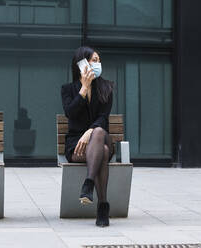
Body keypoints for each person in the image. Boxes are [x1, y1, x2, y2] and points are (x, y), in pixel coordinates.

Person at [61, 46, 114, 227]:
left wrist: (89, 132)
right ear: (81, 64)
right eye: (93, 60)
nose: (97, 64)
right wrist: (84, 88)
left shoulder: (106, 87)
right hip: (77, 145)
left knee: (98, 132)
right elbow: (70, 113)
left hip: (99, 135)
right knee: (104, 153)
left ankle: (88, 183)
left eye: (99, 60)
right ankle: (103, 206)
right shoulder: (68, 89)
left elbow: (103, 118)